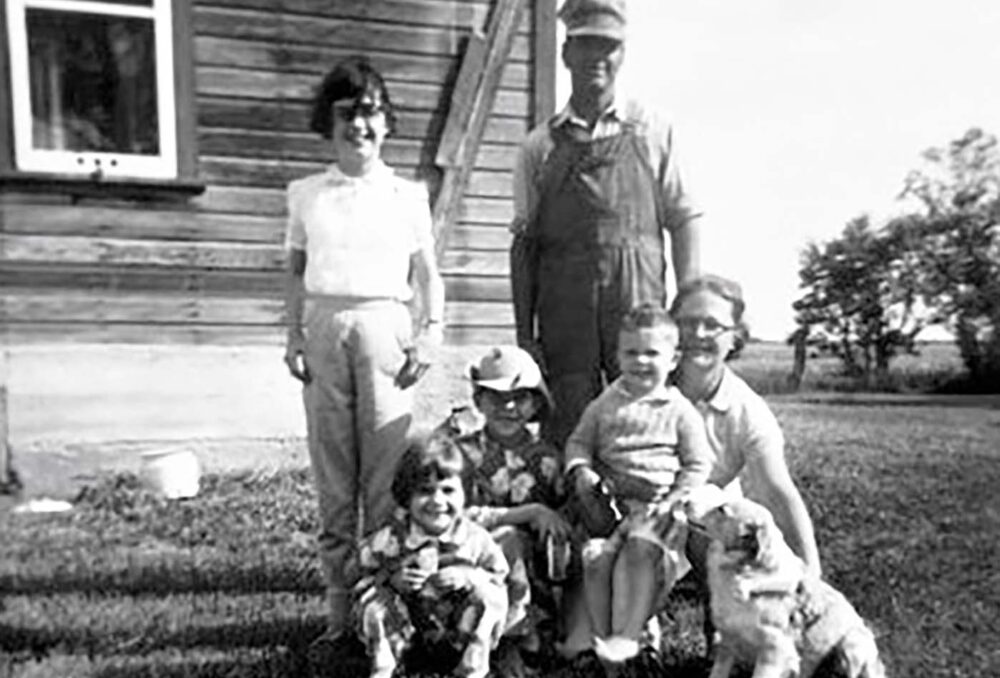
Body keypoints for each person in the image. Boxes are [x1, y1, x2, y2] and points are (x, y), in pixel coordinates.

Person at [282, 56, 446, 643]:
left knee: (383, 480)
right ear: (328, 122)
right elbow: (295, 271)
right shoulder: (306, 194)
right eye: (348, 112)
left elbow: (428, 273)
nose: (360, 125)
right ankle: (336, 616)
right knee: (334, 477)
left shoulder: (408, 194)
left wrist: (431, 331)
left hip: (386, 328)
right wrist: (293, 333)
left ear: (387, 121)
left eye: (372, 111)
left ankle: (382, 614)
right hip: (325, 328)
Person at [510, 0, 702, 447]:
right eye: (584, 45)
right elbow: (524, 246)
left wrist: (687, 313)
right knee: (570, 426)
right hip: (564, 313)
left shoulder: (654, 130)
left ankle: (646, 514)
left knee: (644, 422)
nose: (597, 56)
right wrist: (526, 335)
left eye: (608, 46)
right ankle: (572, 514)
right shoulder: (538, 146)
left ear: (623, 54)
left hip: (638, 305)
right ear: (565, 54)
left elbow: (685, 217)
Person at [669, 274, 822, 645]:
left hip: (701, 518)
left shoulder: (746, 408)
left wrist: (811, 571)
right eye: (688, 322)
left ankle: (723, 634)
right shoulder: (643, 383)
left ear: (735, 336)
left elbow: (775, 489)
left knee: (721, 530)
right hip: (639, 509)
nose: (700, 333)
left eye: (714, 325)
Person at [562, 304, 715, 664]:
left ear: (674, 359)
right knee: (595, 559)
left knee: (638, 551)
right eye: (631, 352)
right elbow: (579, 442)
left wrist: (674, 499)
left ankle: (629, 640)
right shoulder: (605, 404)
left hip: (658, 512)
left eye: (651, 353)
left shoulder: (679, 410)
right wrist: (581, 468)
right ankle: (603, 645)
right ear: (617, 355)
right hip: (611, 508)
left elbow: (698, 464)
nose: (640, 361)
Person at [445, 346, 572, 662]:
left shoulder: (547, 458)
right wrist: (526, 513)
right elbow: (453, 517)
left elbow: (563, 509)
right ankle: (508, 643)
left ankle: (559, 627)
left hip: (536, 568)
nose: (509, 407)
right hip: (472, 562)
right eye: (495, 398)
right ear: (478, 402)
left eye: (520, 398)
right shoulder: (459, 455)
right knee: (509, 540)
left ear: (535, 404)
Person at [349, 436, 509, 678]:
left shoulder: (476, 539)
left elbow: (499, 576)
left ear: (465, 494)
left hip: (458, 630)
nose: (437, 501)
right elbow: (356, 572)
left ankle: (472, 668)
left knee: (489, 596)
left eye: (448, 490)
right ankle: (385, 666)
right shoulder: (390, 539)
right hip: (407, 631)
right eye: (425, 491)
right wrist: (390, 579)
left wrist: (470, 576)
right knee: (374, 603)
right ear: (406, 495)